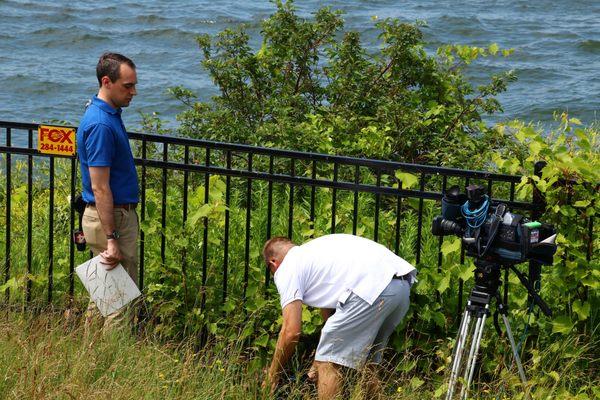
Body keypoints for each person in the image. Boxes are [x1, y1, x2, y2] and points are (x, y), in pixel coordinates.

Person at [262, 234, 417, 399]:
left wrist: (272, 375)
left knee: (328, 362)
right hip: (400, 286)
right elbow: (330, 315)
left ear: (273, 263)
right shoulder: (314, 253)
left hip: (371, 288)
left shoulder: (287, 267)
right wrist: (318, 359)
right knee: (366, 365)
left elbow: (291, 331)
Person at [76, 52, 140, 329]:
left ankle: (89, 356)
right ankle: (114, 364)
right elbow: (100, 187)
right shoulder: (101, 124)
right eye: (127, 86)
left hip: (109, 218)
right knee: (119, 304)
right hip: (110, 220)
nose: (133, 92)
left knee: (104, 295)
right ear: (107, 81)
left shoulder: (105, 113)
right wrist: (112, 238)